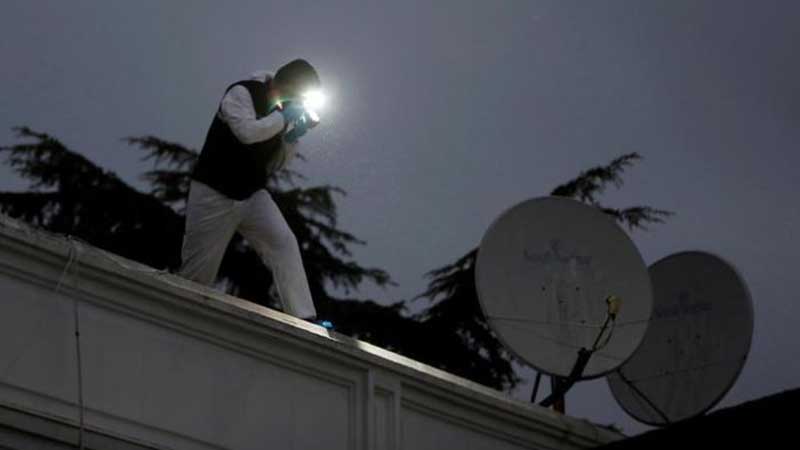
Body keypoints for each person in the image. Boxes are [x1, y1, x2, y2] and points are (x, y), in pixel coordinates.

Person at [180, 59, 327, 326]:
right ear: (289, 85)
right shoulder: (241, 93)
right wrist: (283, 119)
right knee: (197, 276)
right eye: (302, 95)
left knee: (284, 243)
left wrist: (292, 138)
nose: (302, 102)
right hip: (214, 192)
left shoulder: (281, 111)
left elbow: (275, 164)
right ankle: (180, 318)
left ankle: (305, 317)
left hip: (251, 194)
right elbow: (247, 133)